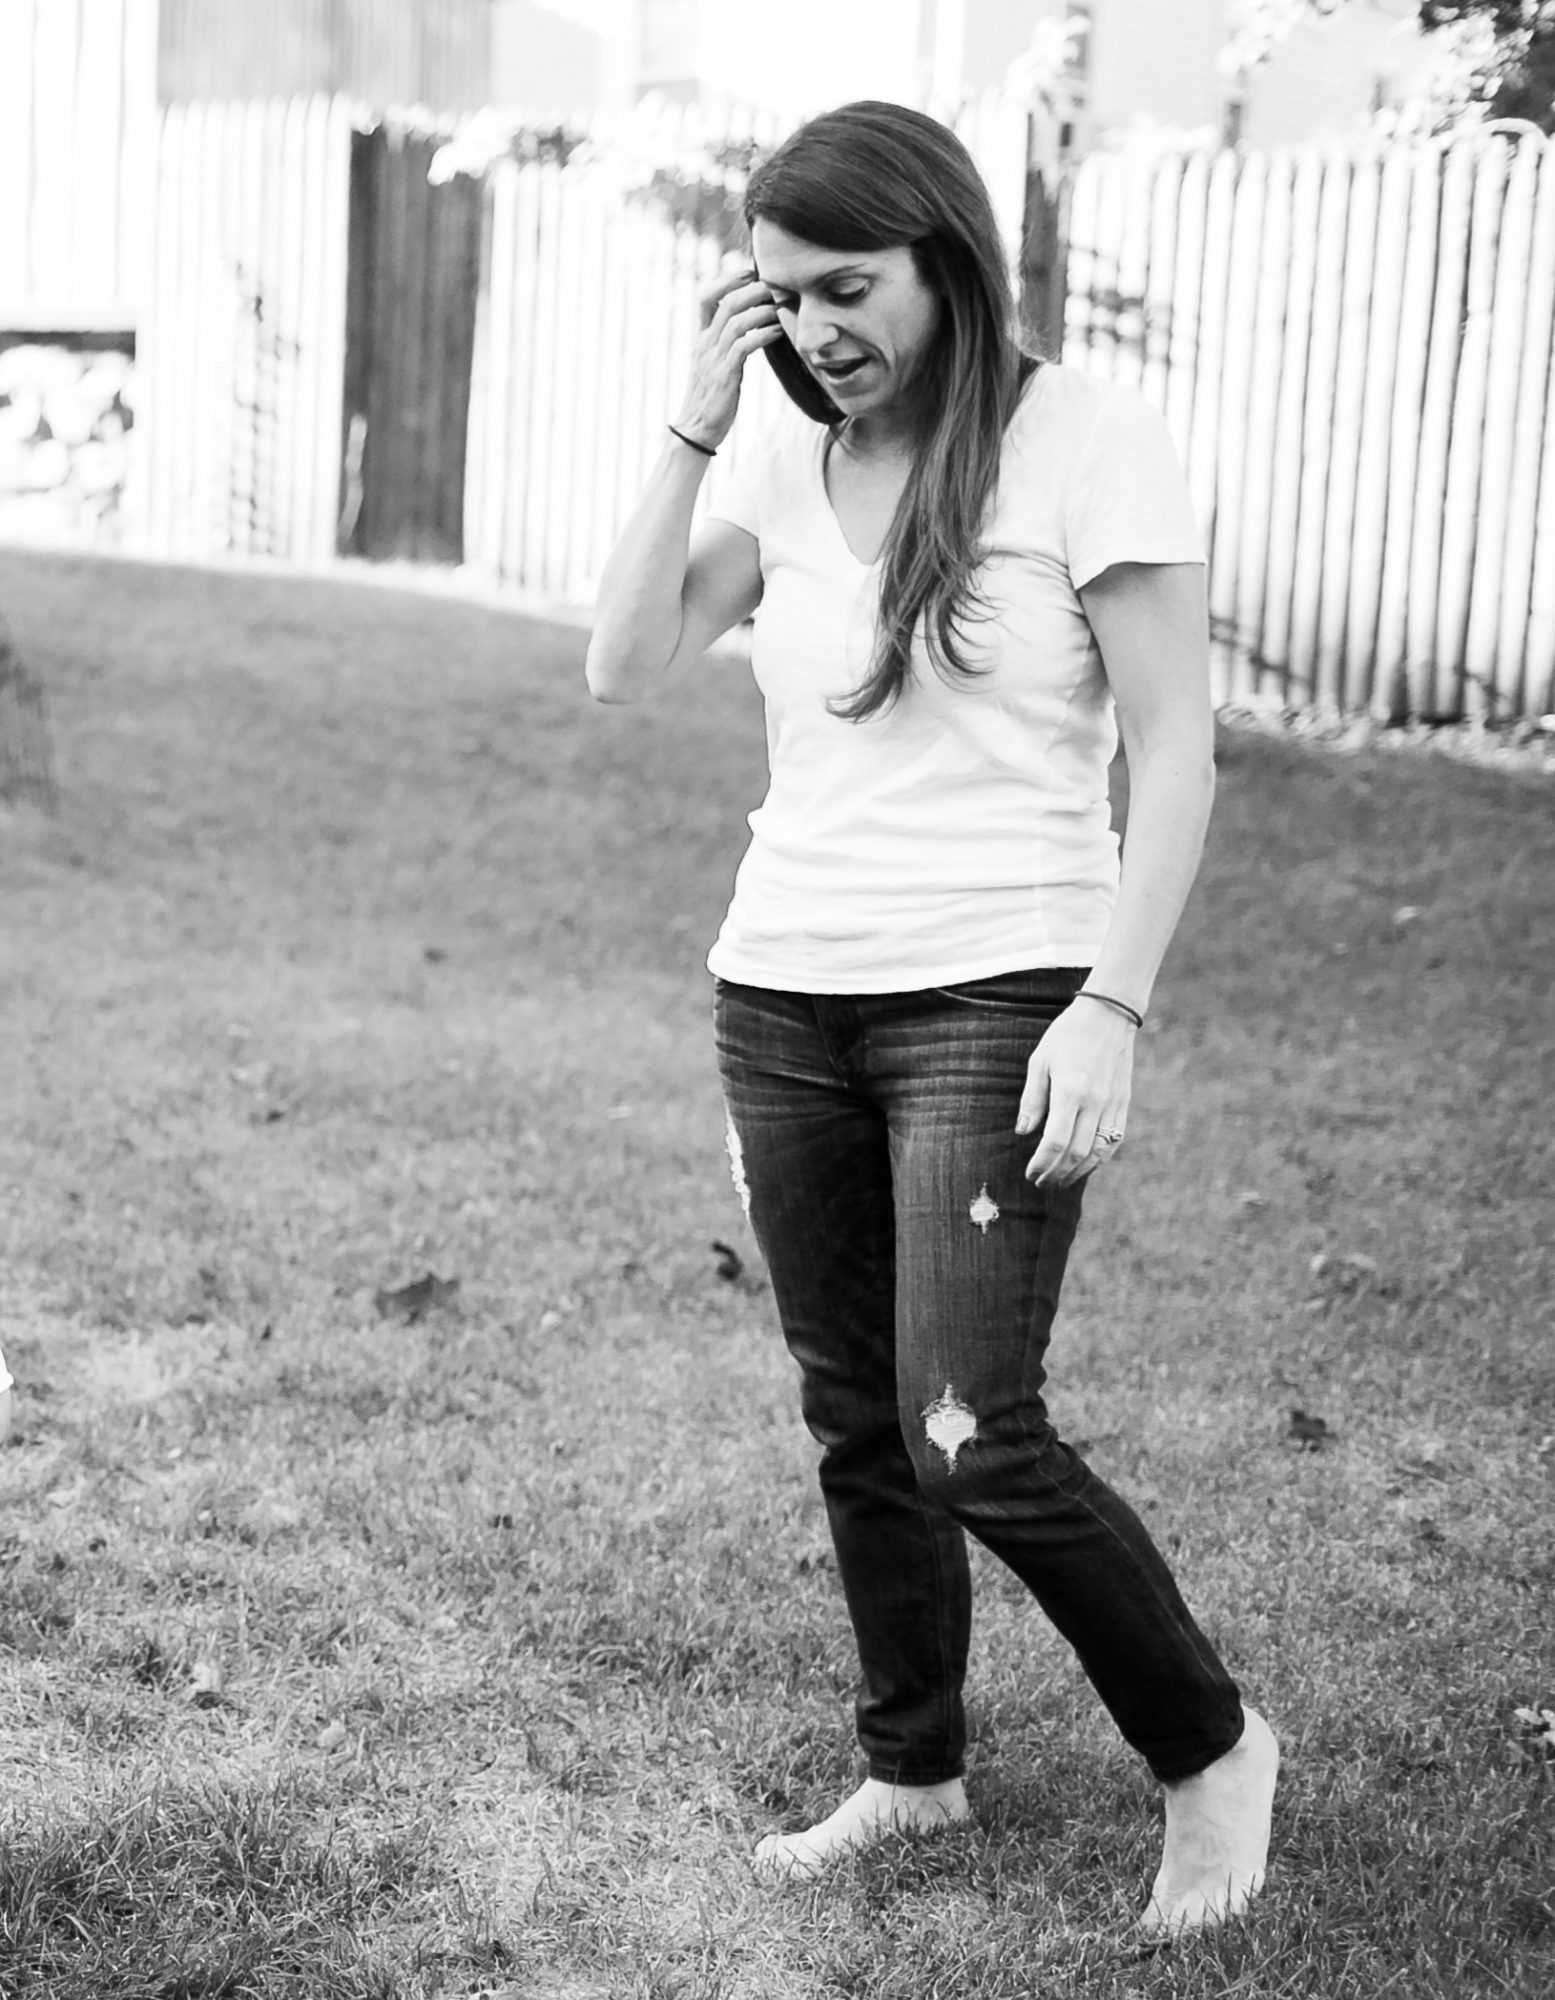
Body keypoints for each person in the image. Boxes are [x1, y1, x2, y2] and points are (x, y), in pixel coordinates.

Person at [584, 100, 1278, 1936]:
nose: (816, 328)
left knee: (970, 1425)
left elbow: (1176, 749)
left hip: (999, 989)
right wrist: (692, 423)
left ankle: (1214, 1754)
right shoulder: (778, 458)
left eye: (849, 286)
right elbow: (618, 663)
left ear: (944, 259)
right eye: (783, 293)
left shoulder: (1085, 440)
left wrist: (1112, 1002)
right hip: (782, 992)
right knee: (858, 1416)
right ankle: (914, 1770)